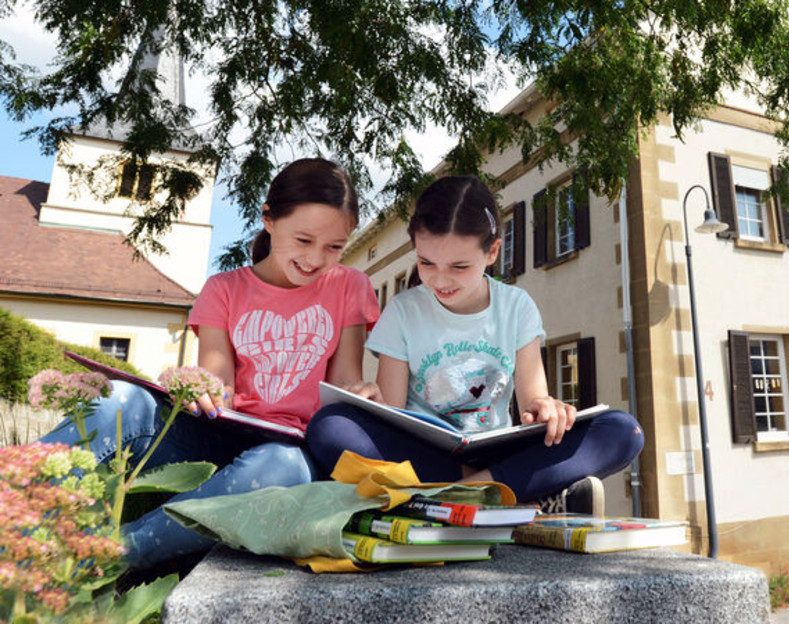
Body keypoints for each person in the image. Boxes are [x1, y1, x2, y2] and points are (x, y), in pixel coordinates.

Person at [42, 158, 379, 569]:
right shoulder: (224, 289)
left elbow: (344, 384)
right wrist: (197, 388)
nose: (316, 259)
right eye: (304, 240)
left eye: (334, 247)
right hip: (219, 437)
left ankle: (110, 556)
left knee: (282, 465)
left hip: (290, 456)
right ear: (269, 220)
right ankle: (19, 507)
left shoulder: (349, 286)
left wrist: (362, 397)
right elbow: (218, 387)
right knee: (122, 398)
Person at [306, 175, 643, 513]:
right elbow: (392, 415)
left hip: (497, 450)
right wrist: (373, 400)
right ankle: (512, 492)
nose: (440, 280)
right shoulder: (403, 311)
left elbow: (533, 402)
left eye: (459, 266)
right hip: (424, 453)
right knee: (330, 426)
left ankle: (456, 495)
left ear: (492, 251)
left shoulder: (515, 305)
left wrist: (548, 409)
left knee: (622, 430)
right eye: (426, 263)